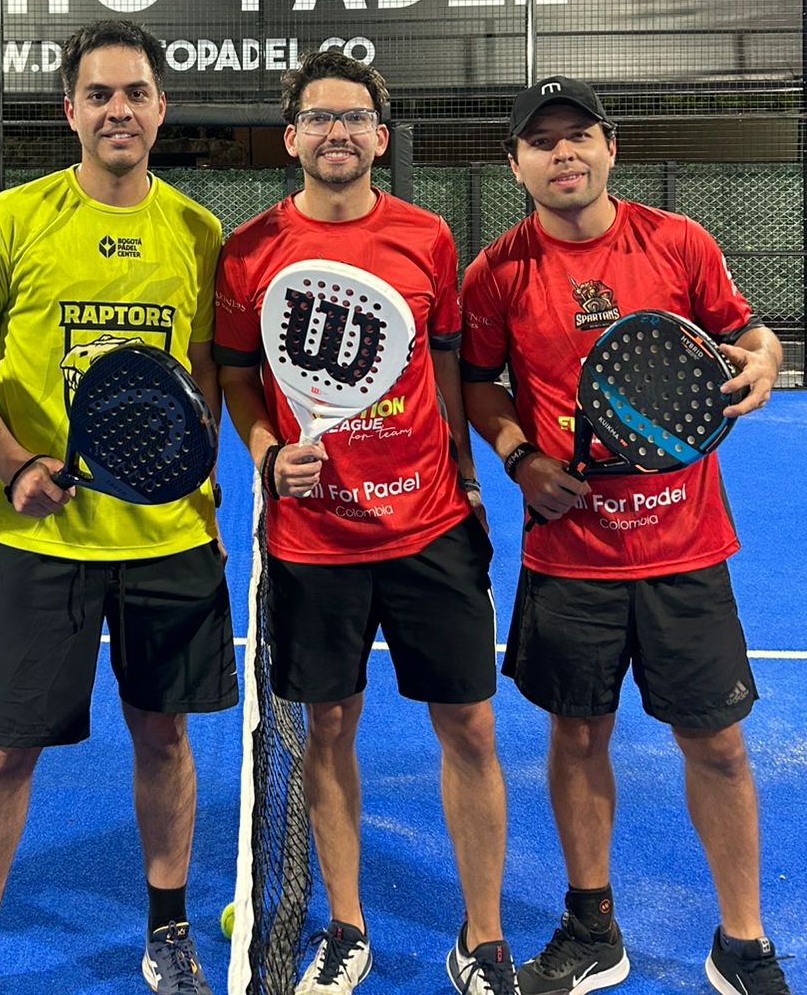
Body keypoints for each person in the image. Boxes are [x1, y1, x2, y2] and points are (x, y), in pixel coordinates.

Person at [0, 18, 236, 995]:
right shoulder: (11, 219)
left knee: (165, 734)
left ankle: (168, 932)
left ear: (161, 108)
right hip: (39, 536)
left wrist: (201, 489)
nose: (118, 110)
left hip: (166, 540)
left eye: (135, 92)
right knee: (5, 749)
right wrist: (13, 460)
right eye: (99, 94)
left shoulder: (198, 233)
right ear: (70, 110)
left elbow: (202, 370)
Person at [460, 76, 788, 995]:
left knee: (717, 744)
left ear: (610, 146)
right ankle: (592, 926)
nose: (563, 153)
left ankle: (742, 941)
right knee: (575, 738)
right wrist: (521, 458)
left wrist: (765, 363)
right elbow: (478, 383)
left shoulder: (678, 242)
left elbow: (752, 336)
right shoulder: (495, 273)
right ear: (516, 163)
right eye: (541, 141)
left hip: (686, 547)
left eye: (579, 135)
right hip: (571, 554)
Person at [214, 49, 516, 995]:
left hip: (430, 528)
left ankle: (484, 939)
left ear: (381, 138)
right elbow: (235, 377)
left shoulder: (428, 238)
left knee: (470, 728)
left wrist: (465, 477)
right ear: (292, 136)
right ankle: (347, 927)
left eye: (354, 117)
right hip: (314, 541)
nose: (336, 131)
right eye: (319, 116)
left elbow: (443, 365)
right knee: (330, 728)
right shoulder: (249, 250)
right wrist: (267, 453)